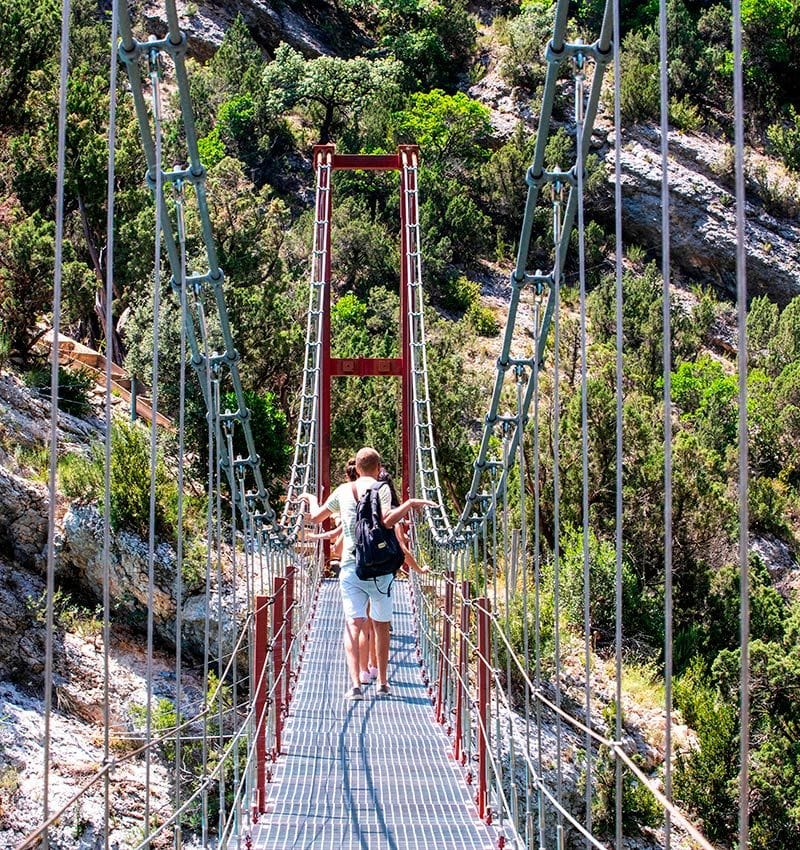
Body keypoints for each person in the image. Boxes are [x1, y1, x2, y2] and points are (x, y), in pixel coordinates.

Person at [300, 446, 434, 701]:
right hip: (380, 568)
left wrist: (309, 497)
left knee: (353, 624)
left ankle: (356, 686)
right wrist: (409, 504)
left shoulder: (342, 490)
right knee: (382, 626)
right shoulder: (381, 488)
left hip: (351, 566)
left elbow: (317, 517)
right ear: (378, 467)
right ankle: (383, 683)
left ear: (357, 468)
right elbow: (386, 520)